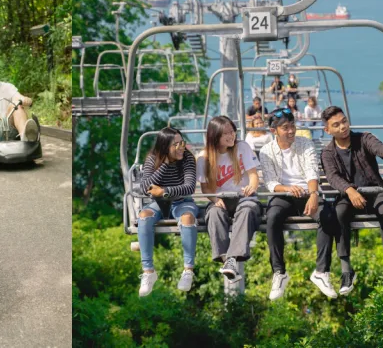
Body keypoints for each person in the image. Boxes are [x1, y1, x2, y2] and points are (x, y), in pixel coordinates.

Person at [320, 106, 383, 294]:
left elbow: (379, 148)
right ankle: (346, 271)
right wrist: (350, 190)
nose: (343, 127)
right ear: (328, 130)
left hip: (374, 191)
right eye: (336, 125)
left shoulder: (363, 139)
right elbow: (333, 176)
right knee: (339, 213)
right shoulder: (328, 153)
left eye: (344, 121)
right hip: (348, 195)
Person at [259, 107, 339, 300]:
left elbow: (312, 171)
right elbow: (271, 182)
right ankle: (279, 272)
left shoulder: (305, 144)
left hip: (306, 192)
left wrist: (313, 194)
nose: (291, 131)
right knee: (272, 217)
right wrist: (287, 188)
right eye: (285, 128)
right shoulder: (266, 151)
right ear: (274, 131)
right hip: (284, 195)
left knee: (327, 215)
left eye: (292, 126)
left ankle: (321, 272)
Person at [197, 116, 261, 282]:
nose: (231, 136)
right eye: (226, 133)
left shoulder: (242, 147)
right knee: (213, 214)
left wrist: (252, 187)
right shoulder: (204, 157)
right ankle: (227, 259)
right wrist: (213, 199)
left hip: (243, 196)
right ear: (215, 136)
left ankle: (231, 260)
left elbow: (253, 175)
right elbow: (205, 188)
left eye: (232, 131)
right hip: (221, 199)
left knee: (247, 210)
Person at [136, 127, 199, 296]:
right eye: (175, 144)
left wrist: (164, 191)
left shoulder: (188, 159)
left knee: (187, 218)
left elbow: (189, 187)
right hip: (158, 204)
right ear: (164, 147)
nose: (180, 147)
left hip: (182, 202)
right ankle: (149, 272)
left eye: (182, 143)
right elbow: (144, 187)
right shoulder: (152, 159)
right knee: (143, 217)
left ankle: (188, 270)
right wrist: (165, 164)